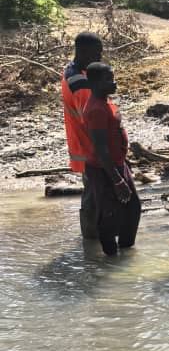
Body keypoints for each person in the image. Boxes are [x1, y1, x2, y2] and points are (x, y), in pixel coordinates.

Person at [83, 62, 142, 256]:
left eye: (113, 78)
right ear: (93, 83)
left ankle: (126, 253)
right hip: (103, 169)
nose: (114, 83)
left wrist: (124, 162)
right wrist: (117, 180)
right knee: (108, 215)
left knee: (132, 207)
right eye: (108, 80)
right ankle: (111, 258)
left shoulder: (107, 102)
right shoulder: (96, 109)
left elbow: (114, 136)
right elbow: (100, 149)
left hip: (117, 164)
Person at [61, 31, 103, 239]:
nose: (100, 58)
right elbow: (93, 121)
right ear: (84, 52)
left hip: (82, 144)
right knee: (94, 194)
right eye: (97, 53)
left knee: (91, 191)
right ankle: (92, 239)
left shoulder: (71, 70)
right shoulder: (80, 83)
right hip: (90, 147)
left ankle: (91, 239)